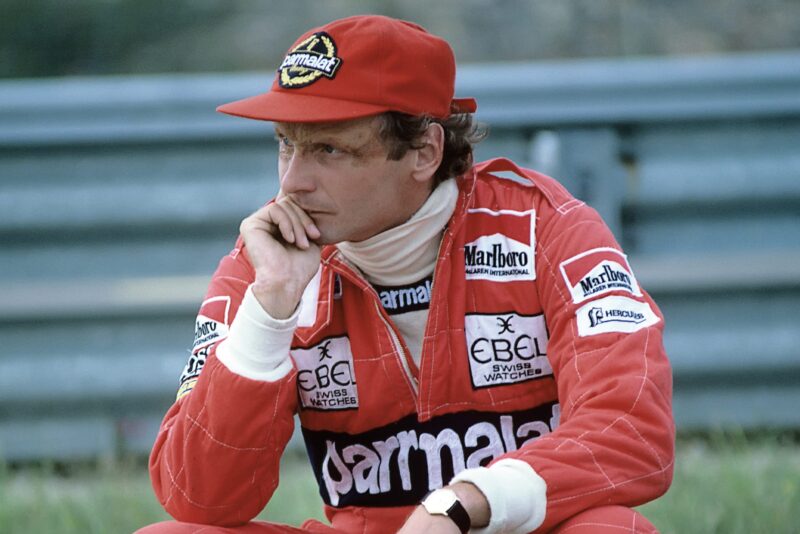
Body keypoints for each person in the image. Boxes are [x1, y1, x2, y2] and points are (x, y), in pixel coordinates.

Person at [138, 14, 674, 534]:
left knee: (615, 529)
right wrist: (270, 310)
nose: (293, 182)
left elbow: (632, 432)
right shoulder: (263, 262)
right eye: (286, 143)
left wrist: (464, 505)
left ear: (424, 151)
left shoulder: (546, 230)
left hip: (504, 529)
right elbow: (197, 498)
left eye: (328, 148)